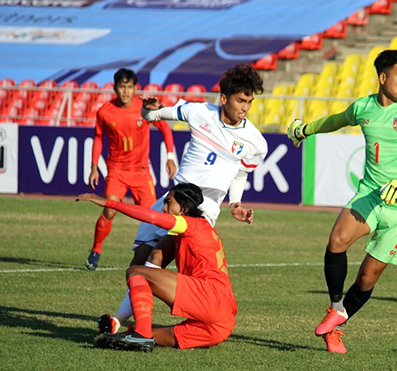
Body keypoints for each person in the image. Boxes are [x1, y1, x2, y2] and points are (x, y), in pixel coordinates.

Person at [97, 63, 267, 335]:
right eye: (240, 100)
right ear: (223, 98)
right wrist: (148, 109)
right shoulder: (198, 111)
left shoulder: (255, 142)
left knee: (157, 256)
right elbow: (151, 116)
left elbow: (241, 173)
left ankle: (129, 325)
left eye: (249, 101)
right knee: (137, 263)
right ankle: (126, 320)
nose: (245, 107)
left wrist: (235, 203)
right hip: (171, 198)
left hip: (202, 211)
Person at [287, 50, 397, 353]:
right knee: (337, 241)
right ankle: (334, 308)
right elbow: (336, 120)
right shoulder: (364, 108)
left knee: (367, 278)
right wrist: (305, 130)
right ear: (383, 78)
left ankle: (338, 325)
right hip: (370, 194)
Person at [78, 183, 236, 351]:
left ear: (185, 207)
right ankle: (131, 332)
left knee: (135, 272)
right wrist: (118, 320)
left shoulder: (190, 224)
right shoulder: (191, 231)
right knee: (136, 335)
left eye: (168, 203)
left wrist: (107, 203)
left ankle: (142, 333)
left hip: (211, 298)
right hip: (219, 326)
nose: (164, 208)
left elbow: (152, 218)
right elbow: (155, 258)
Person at [86, 68, 177, 270]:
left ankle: (153, 259)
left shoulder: (143, 108)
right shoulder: (104, 112)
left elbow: (165, 129)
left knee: (153, 220)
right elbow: (98, 138)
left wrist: (170, 157)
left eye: (129, 87)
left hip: (141, 171)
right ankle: (96, 249)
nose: (125, 91)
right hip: (117, 170)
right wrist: (94, 167)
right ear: (115, 88)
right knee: (110, 210)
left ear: (135, 88)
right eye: (121, 86)